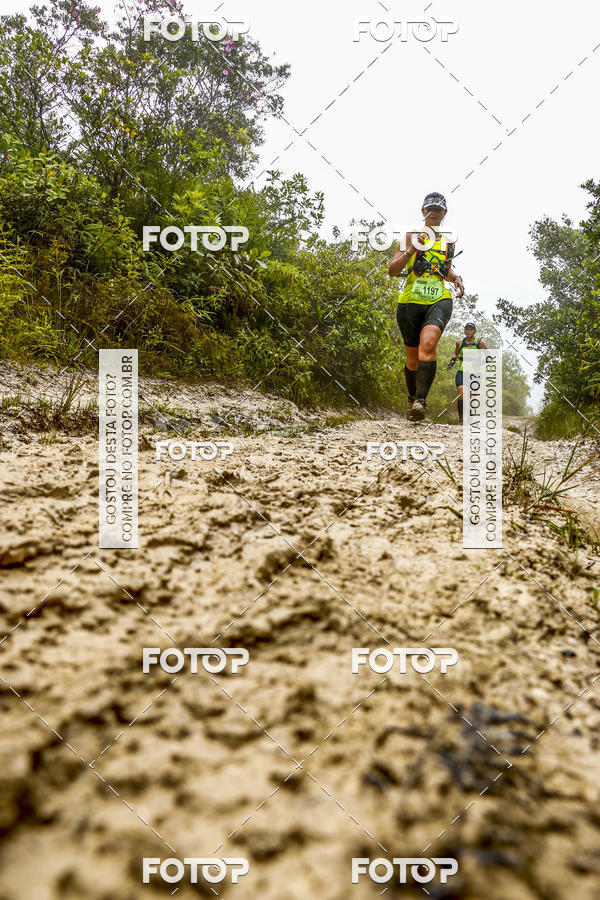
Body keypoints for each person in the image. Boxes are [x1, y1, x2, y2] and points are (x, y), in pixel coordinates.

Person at [389, 192, 464, 422]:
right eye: (430, 209)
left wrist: (456, 277)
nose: (434, 213)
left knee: (429, 344)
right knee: (412, 359)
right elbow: (392, 270)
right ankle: (412, 398)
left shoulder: (448, 242)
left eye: (438, 209)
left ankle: (421, 401)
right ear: (423, 212)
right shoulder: (409, 236)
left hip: (439, 299)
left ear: (444, 214)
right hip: (410, 302)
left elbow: (444, 269)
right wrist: (412, 249)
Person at [447, 322, 487, 424]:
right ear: (464, 330)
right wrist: (452, 362)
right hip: (462, 371)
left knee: (471, 396)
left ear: (474, 331)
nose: (469, 331)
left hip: (475, 374)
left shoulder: (480, 343)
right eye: (467, 329)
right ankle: (461, 419)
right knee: (461, 392)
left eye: (471, 329)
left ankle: (470, 419)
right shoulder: (459, 343)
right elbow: (456, 352)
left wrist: (478, 362)